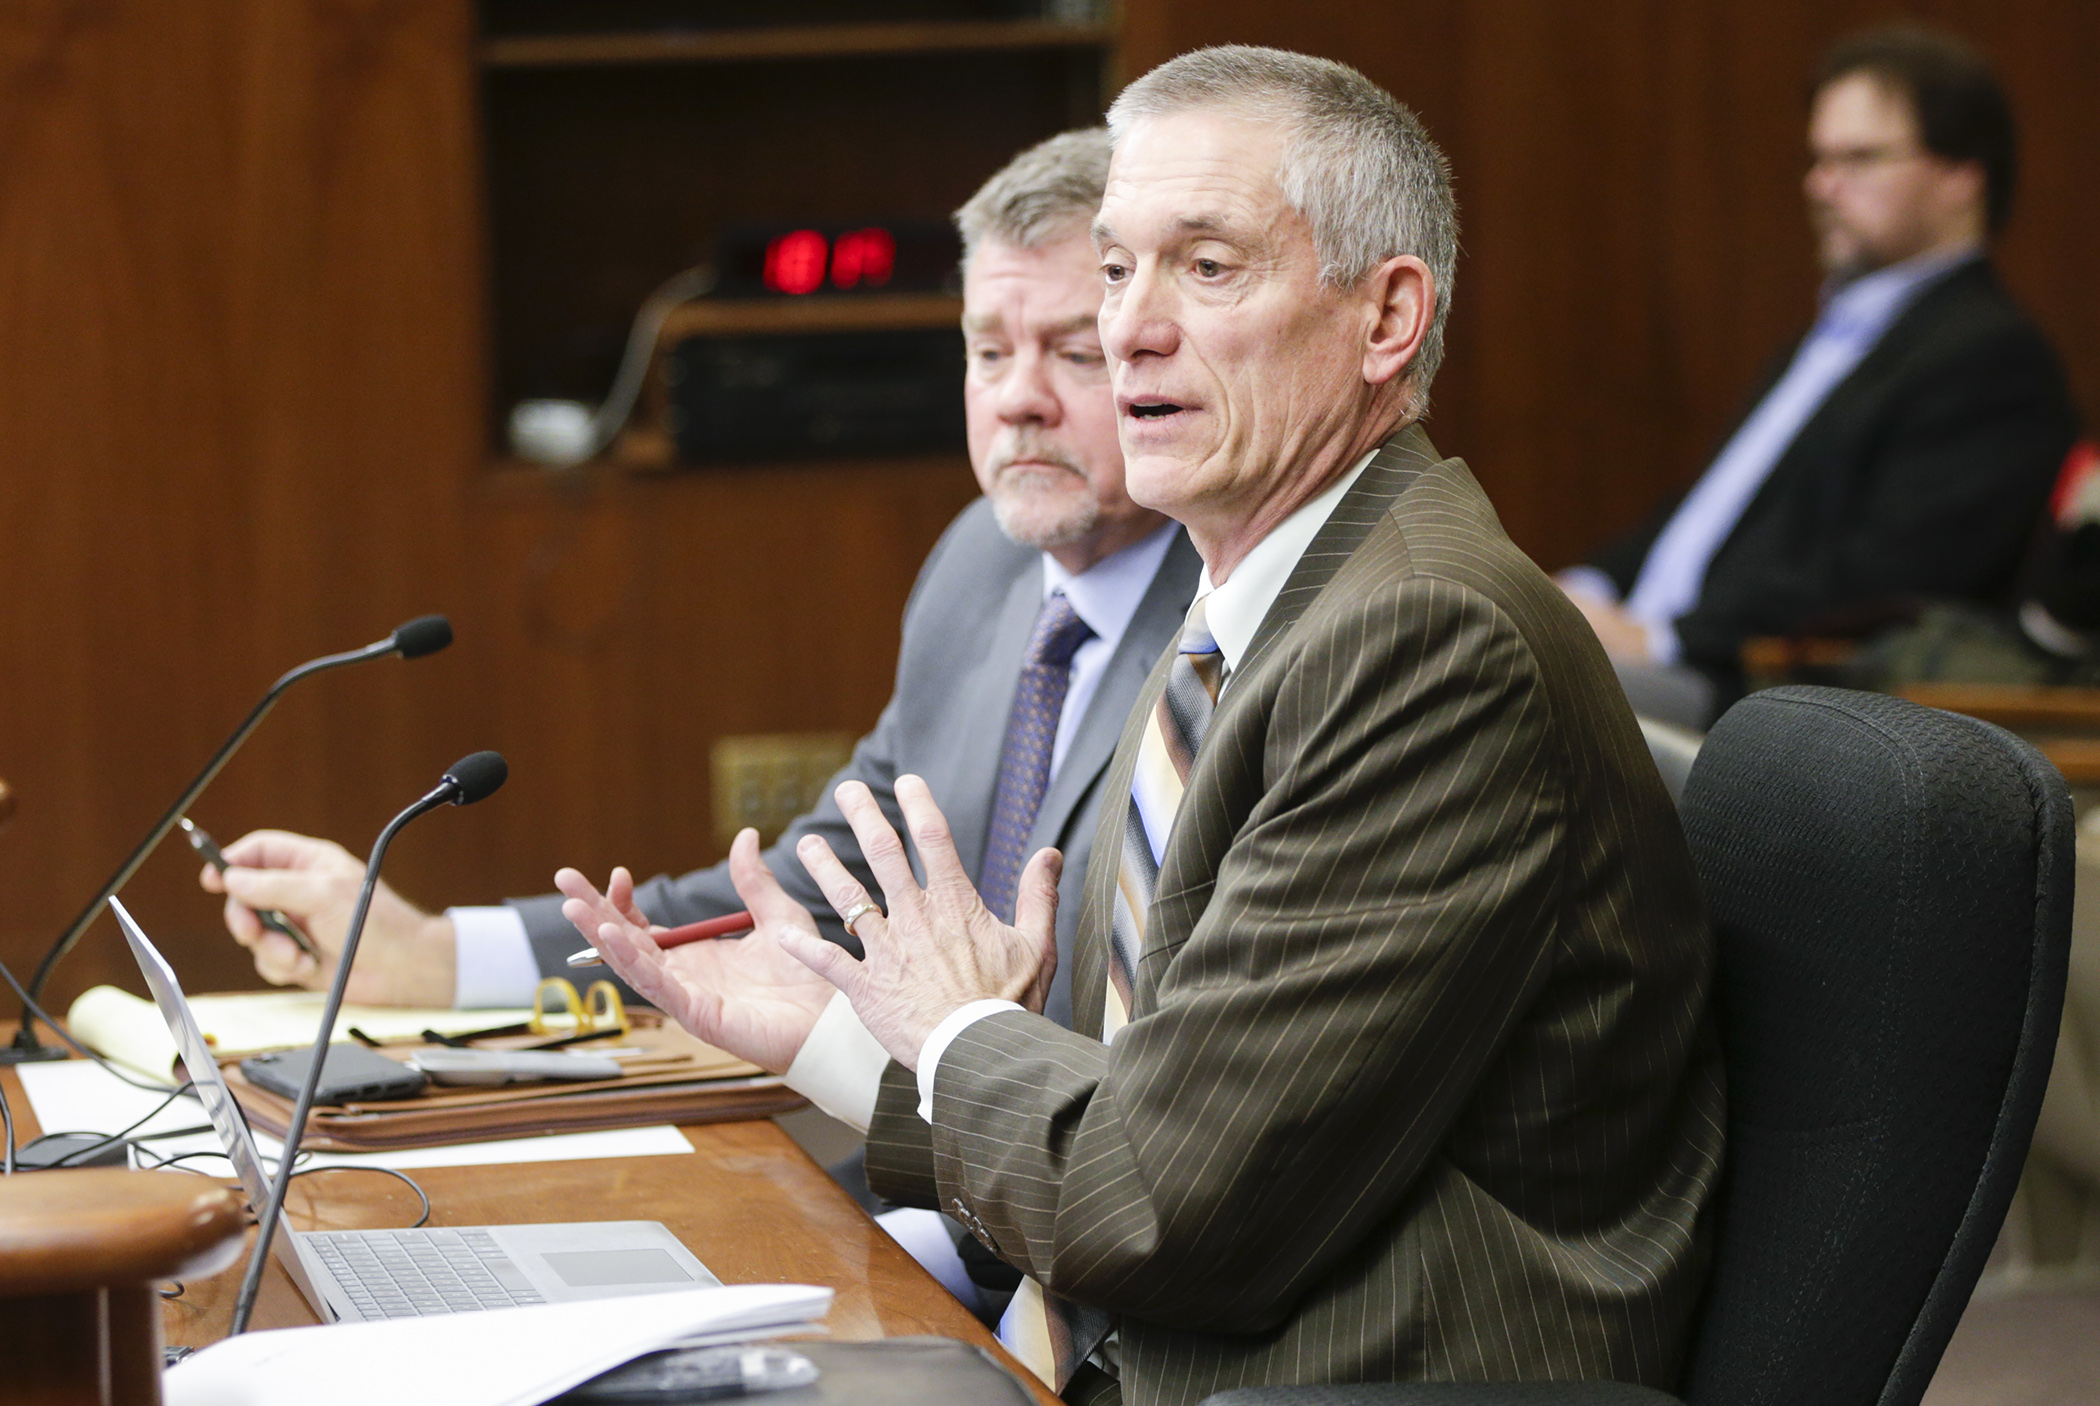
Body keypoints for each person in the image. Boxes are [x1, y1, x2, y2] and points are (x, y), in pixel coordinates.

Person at [564, 47, 1724, 1404]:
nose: (1129, 332)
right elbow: (1158, 1120)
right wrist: (830, 1031)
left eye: (1208, 267)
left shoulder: (1424, 642)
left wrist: (947, 1028)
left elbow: (1160, 1204)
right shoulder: (1249, 616)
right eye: (1117, 270)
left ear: (1386, 316)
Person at [201, 128, 1203, 1045]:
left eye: (1074, 353)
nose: (1019, 398)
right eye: (989, 351)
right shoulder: (978, 565)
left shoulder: (1227, 625)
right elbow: (813, 892)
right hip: (922, 1180)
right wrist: (436, 952)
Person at [1559, 24, 2079, 729]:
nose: (1821, 185)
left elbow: (1882, 581)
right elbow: (1705, 520)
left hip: (1754, 700)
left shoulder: (1994, 360)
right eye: (1819, 158)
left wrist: (1662, 636)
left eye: (1860, 158)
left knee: (1507, 689)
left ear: (1963, 175)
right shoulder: (1825, 337)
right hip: (1669, 659)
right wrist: (1576, 591)